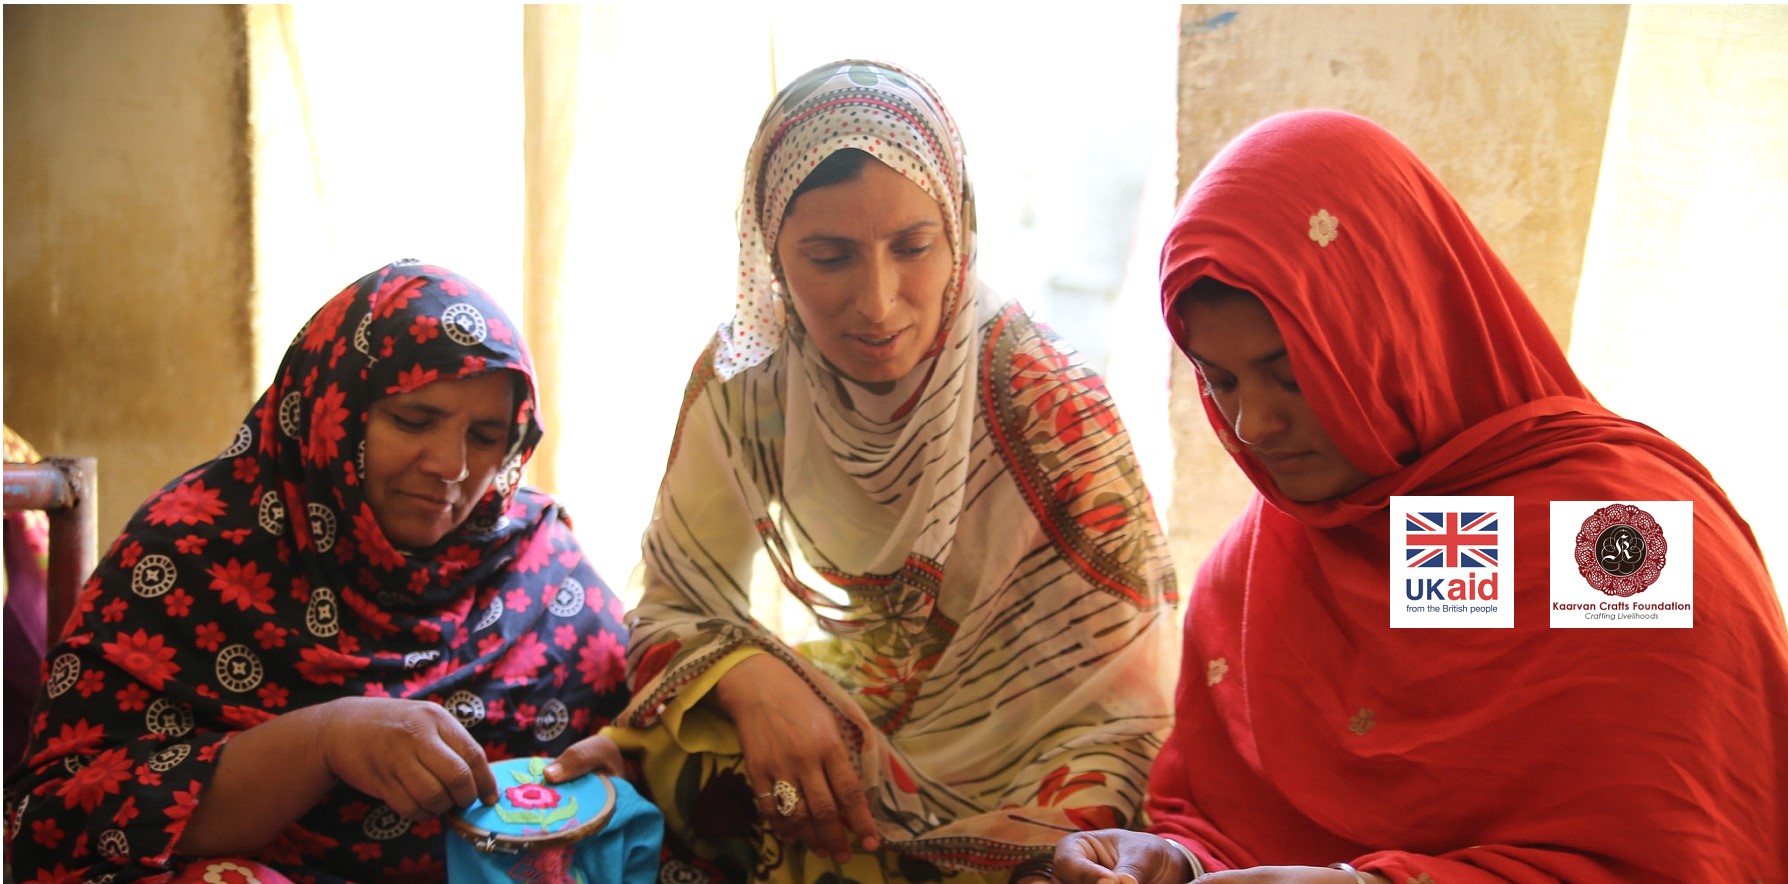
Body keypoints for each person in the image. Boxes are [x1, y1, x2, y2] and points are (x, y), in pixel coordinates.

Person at [1051, 109, 1788, 883]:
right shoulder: (1271, 560)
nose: (1254, 424)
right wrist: (1170, 861)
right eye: (1221, 380)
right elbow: (1235, 827)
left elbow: (1687, 854)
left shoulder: (1612, 544)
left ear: (1391, 328)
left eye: (1294, 373)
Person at [604, 59, 1181, 883]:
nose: (877, 301)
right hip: (844, 725)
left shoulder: (1043, 397)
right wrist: (755, 680)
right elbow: (671, 607)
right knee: (678, 747)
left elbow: (1130, 703)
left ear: (960, 232)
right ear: (770, 250)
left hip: (1032, 764)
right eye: (829, 257)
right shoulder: (750, 380)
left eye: (913, 247)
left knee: (1078, 858)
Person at [3, 261, 638, 882]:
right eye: (414, 421)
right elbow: (56, 824)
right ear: (333, 411)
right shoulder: (192, 553)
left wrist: (626, 758)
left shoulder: (535, 564)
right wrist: (325, 740)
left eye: (487, 435)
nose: (451, 465)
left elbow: (642, 725)